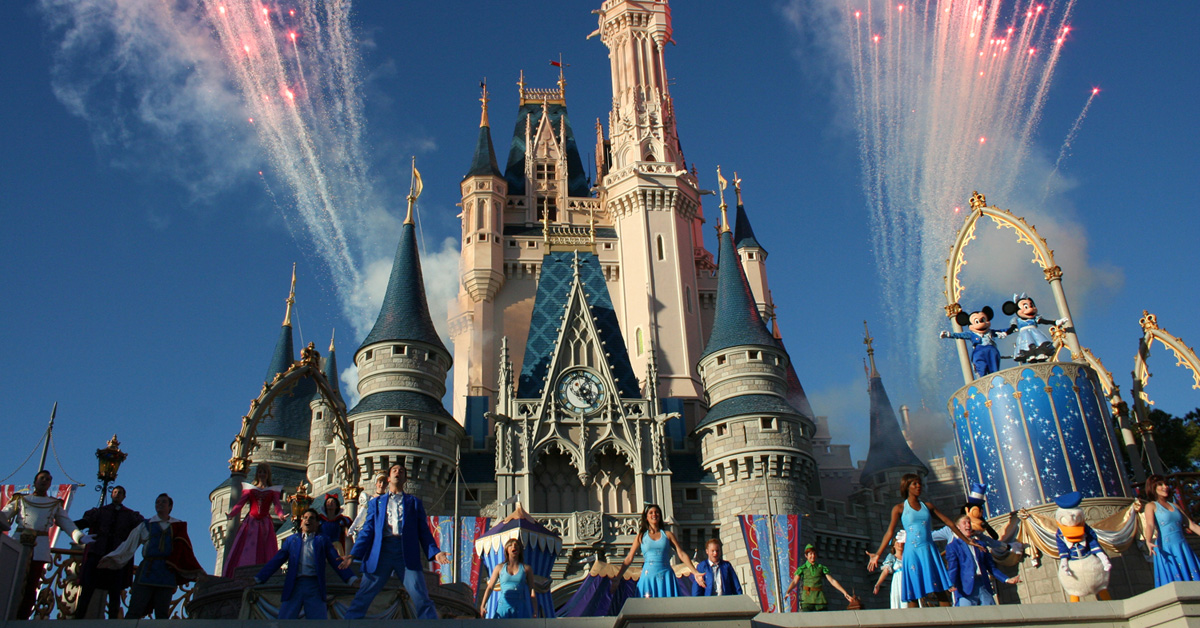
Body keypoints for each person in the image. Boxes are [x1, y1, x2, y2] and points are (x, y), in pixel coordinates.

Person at [341, 464, 450, 619]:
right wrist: (353, 555)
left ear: (405, 478)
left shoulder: (414, 503)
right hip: (382, 551)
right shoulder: (376, 503)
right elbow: (367, 530)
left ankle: (430, 623)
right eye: (394, 470)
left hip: (405, 552)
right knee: (364, 593)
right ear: (388, 478)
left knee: (420, 594)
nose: (398, 472)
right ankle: (349, 622)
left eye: (402, 471)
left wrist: (436, 553)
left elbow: (423, 532)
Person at [867, 473, 979, 607]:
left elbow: (949, 523)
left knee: (939, 588)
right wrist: (878, 554)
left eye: (919, 483)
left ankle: (951, 621)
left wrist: (966, 541)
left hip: (928, 551)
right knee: (913, 592)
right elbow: (889, 532)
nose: (918, 486)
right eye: (914, 483)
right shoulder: (900, 508)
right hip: (912, 552)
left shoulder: (928, 506)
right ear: (907, 486)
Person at [0, 470, 93, 620]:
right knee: (9, 581)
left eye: (48, 479)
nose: (45, 481)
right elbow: (4, 515)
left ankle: (22, 618)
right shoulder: (21, 500)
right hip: (19, 542)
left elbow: (66, 522)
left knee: (31, 585)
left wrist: (80, 537)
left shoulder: (54, 504)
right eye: (42, 478)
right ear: (35, 482)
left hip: (39, 546)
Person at [98, 493, 205, 619]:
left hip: (166, 572)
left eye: (163, 502)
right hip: (147, 571)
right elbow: (128, 545)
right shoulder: (146, 525)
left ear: (170, 506)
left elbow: (185, 551)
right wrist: (112, 558)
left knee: (162, 613)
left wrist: (196, 571)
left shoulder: (177, 525)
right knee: (135, 609)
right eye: (157, 502)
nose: (159, 504)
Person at [254, 508, 357, 619]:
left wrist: (351, 579)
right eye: (305, 518)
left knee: (317, 621)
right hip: (295, 584)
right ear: (302, 522)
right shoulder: (291, 541)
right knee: (285, 620)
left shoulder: (322, 540)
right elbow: (276, 560)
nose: (308, 520)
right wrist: (258, 578)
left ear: (317, 523)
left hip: (314, 585)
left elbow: (335, 560)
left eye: (312, 518)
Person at [73, 485, 144, 618]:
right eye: (115, 492)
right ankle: (79, 617)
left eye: (120, 493)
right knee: (87, 588)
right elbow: (86, 521)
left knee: (114, 591)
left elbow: (142, 526)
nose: (117, 494)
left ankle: (112, 620)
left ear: (124, 497)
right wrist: (70, 526)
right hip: (98, 552)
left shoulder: (129, 515)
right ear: (111, 495)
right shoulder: (101, 511)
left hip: (116, 556)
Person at [612, 504, 704, 598]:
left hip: (666, 577)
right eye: (651, 513)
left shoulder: (668, 535)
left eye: (656, 512)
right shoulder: (641, 536)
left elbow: (681, 554)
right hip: (649, 577)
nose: (654, 514)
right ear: (646, 517)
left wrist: (695, 572)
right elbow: (629, 557)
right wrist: (618, 577)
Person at [223, 462, 286, 576]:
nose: (262, 474)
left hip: (265, 523)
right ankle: (245, 568)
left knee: (264, 547)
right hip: (251, 522)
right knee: (247, 546)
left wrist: (281, 515)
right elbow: (240, 503)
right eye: (260, 472)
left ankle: (263, 572)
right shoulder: (250, 489)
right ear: (257, 474)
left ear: (268, 474)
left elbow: (277, 506)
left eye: (264, 472)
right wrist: (232, 514)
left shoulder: (272, 491)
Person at [945, 515, 1020, 606]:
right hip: (965, 588)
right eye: (964, 523)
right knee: (966, 616)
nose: (968, 525)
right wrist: (951, 583)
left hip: (982, 585)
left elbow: (991, 567)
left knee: (991, 613)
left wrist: (1007, 579)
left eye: (969, 522)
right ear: (958, 527)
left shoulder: (980, 544)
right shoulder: (953, 546)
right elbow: (953, 567)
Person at [1143, 475, 1200, 587]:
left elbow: (1192, 525)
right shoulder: (1151, 506)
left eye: (1166, 484)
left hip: (1182, 548)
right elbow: (1149, 524)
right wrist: (1148, 541)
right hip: (1167, 549)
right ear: (1153, 487)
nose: (1165, 487)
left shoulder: (1175, 506)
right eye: (1160, 484)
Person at [479, 538, 538, 618]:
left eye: (516, 545)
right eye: (510, 545)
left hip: (520, 606)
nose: (514, 546)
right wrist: (482, 605)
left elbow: (532, 590)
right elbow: (490, 587)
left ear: (520, 550)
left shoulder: (527, 568)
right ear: (507, 550)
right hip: (504, 605)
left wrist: (535, 610)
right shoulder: (499, 568)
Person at [784, 544, 852, 611]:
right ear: (806, 556)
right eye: (810, 554)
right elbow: (795, 581)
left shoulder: (821, 567)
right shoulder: (802, 568)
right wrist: (788, 591)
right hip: (807, 599)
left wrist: (844, 592)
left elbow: (832, 580)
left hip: (820, 599)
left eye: (814, 554)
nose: (813, 556)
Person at [347, 474, 387, 540]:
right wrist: (352, 528)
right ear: (376, 483)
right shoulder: (369, 499)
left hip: (384, 528)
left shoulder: (388, 499)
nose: (382, 485)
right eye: (380, 482)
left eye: (384, 482)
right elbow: (361, 514)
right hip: (371, 528)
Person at [872, 530, 904, 609]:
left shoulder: (909, 556)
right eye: (897, 543)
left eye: (901, 542)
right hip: (899, 581)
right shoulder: (892, 557)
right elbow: (885, 571)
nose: (900, 545)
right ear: (894, 546)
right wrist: (878, 584)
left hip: (909, 580)